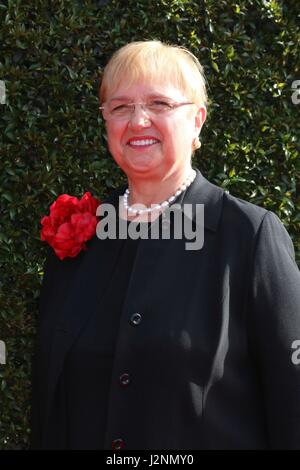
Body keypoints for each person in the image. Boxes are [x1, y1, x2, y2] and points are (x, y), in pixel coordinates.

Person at [31, 40, 300, 450]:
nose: (138, 121)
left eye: (159, 104)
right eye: (120, 107)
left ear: (197, 121)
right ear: (106, 123)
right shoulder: (79, 237)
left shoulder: (249, 236)